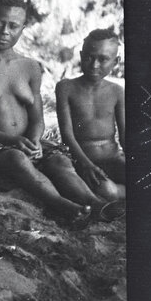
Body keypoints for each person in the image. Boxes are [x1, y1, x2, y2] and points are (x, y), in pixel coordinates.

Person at [0, 0, 118, 224]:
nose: (4, 31)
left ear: (23, 29)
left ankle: (96, 204)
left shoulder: (30, 67)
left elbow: (37, 119)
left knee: (60, 162)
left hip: (23, 141)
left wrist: (34, 140)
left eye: (13, 26)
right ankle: (62, 205)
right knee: (17, 159)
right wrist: (11, 140)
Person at [55, 29, 125, 201]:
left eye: (103, 59)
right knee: (108, 191)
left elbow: (125, 136)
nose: (94, 65)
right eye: (89, 57)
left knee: (149, 178)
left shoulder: (117, 91)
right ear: (80, 55)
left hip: (114, 159)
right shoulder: (66, 88)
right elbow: (67, 135)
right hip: (84, 160)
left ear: (116, 62)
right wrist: (86, 164)